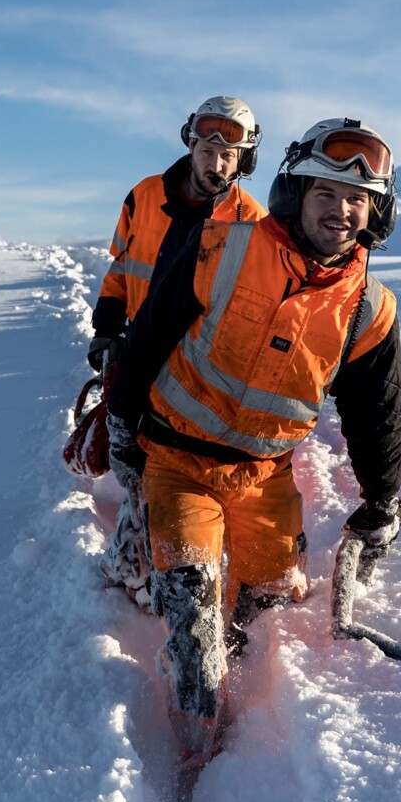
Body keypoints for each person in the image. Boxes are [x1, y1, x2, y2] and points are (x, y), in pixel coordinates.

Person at [106, 117, 401, 777]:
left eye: (358, 199)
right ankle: (193, 750)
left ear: (376, 212)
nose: (342, 208)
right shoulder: (223, 247)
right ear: (295, 194)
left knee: (267, 602)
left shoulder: (369, 310)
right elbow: (149, 334)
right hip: (177, 459)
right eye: (326, 193)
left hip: (264, 477)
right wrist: (121, 422)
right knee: (189, 602)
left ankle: (244, 697)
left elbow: (374, 411)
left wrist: (381, 495)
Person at [90, 96, 267, 605]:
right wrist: (105, 327)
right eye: (208, 149)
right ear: (191, 145)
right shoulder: (143, 196)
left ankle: (143, 569)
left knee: (163, 473)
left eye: (229, 156)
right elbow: (122, 268)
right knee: (134, 467)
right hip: (134, 357)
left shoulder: (251, 221)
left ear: (244, 162)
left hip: (194, 372)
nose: (216, 162)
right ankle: (137, 567)